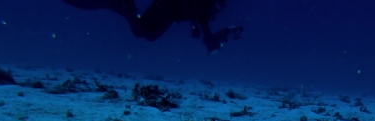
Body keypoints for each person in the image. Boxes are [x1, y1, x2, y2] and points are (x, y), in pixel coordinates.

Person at [62, 0, 242, 53]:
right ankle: (121, 4)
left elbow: (199, 20)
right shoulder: (204, 7)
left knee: (144, 33)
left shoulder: (202, 8)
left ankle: (121, 5)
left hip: (168, 12)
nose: (217, 11)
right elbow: (208, 37)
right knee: (142, 32)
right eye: (219, 6)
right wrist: (223, 34)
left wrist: (196, 27)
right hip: (166, 9)